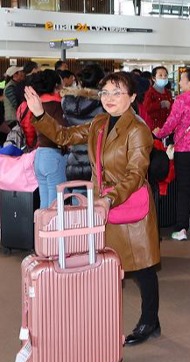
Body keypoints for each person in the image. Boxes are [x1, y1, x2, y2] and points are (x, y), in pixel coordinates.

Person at [25, 71, 162, 346]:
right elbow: (64, 136)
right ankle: (113, 321)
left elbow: (135, 174)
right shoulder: (100, 122)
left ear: (132, 97)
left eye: (117, 92)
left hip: (127, 204)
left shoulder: (138, 130)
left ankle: (150, 321)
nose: (109, 98)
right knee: (109, 264)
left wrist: (110, 198)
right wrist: (40, 115)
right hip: (101, 206)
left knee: (141, 267)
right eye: (105, 92)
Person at [153, 68, 190, 241]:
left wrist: (159, 133)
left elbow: (171, 123)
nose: (179, 83)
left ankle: (182, 228)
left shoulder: (181, 100)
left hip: (185, 151)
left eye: (182, 80)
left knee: (184, 189)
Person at [17, 70, 67, 207]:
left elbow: (29, 129)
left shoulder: (33, 104)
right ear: (56, 86)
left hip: (38, 155)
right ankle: (52, 229)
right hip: (54, 155)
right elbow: (63, 134)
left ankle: (40, 228)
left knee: (44, 202)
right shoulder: (59, 106)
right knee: (56, 204)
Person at [61, 63, 105, 183]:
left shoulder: (66, 101)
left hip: (74, 160)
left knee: (78, 198)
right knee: (97, 200)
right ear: (101, 81)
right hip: (97, 162)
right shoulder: (105, 103)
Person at [143, 66, 173, 131]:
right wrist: (160, 104)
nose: (163, 77)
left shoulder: (168, 92)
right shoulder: (149, 92)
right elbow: (146, 108)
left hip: (167, 127)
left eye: (165, 75)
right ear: (154, 78)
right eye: (160, 75)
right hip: (154, 128)